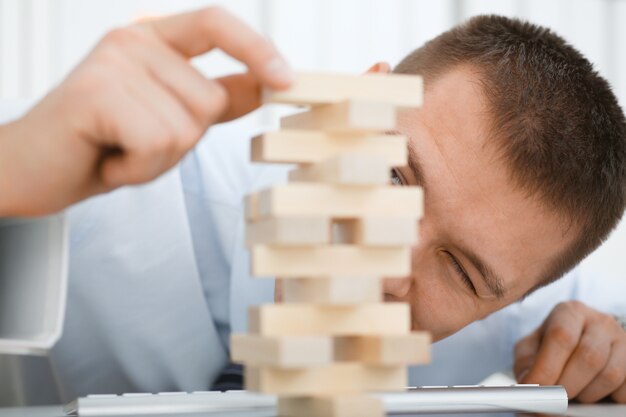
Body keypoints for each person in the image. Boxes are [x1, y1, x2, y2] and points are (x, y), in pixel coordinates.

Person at [0, 7, 625, 405]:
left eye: (459, 272)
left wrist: (611, 354)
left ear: (510, 301)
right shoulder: (92, 186)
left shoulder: (529, 309)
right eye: (394, 175)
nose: (382, 269)